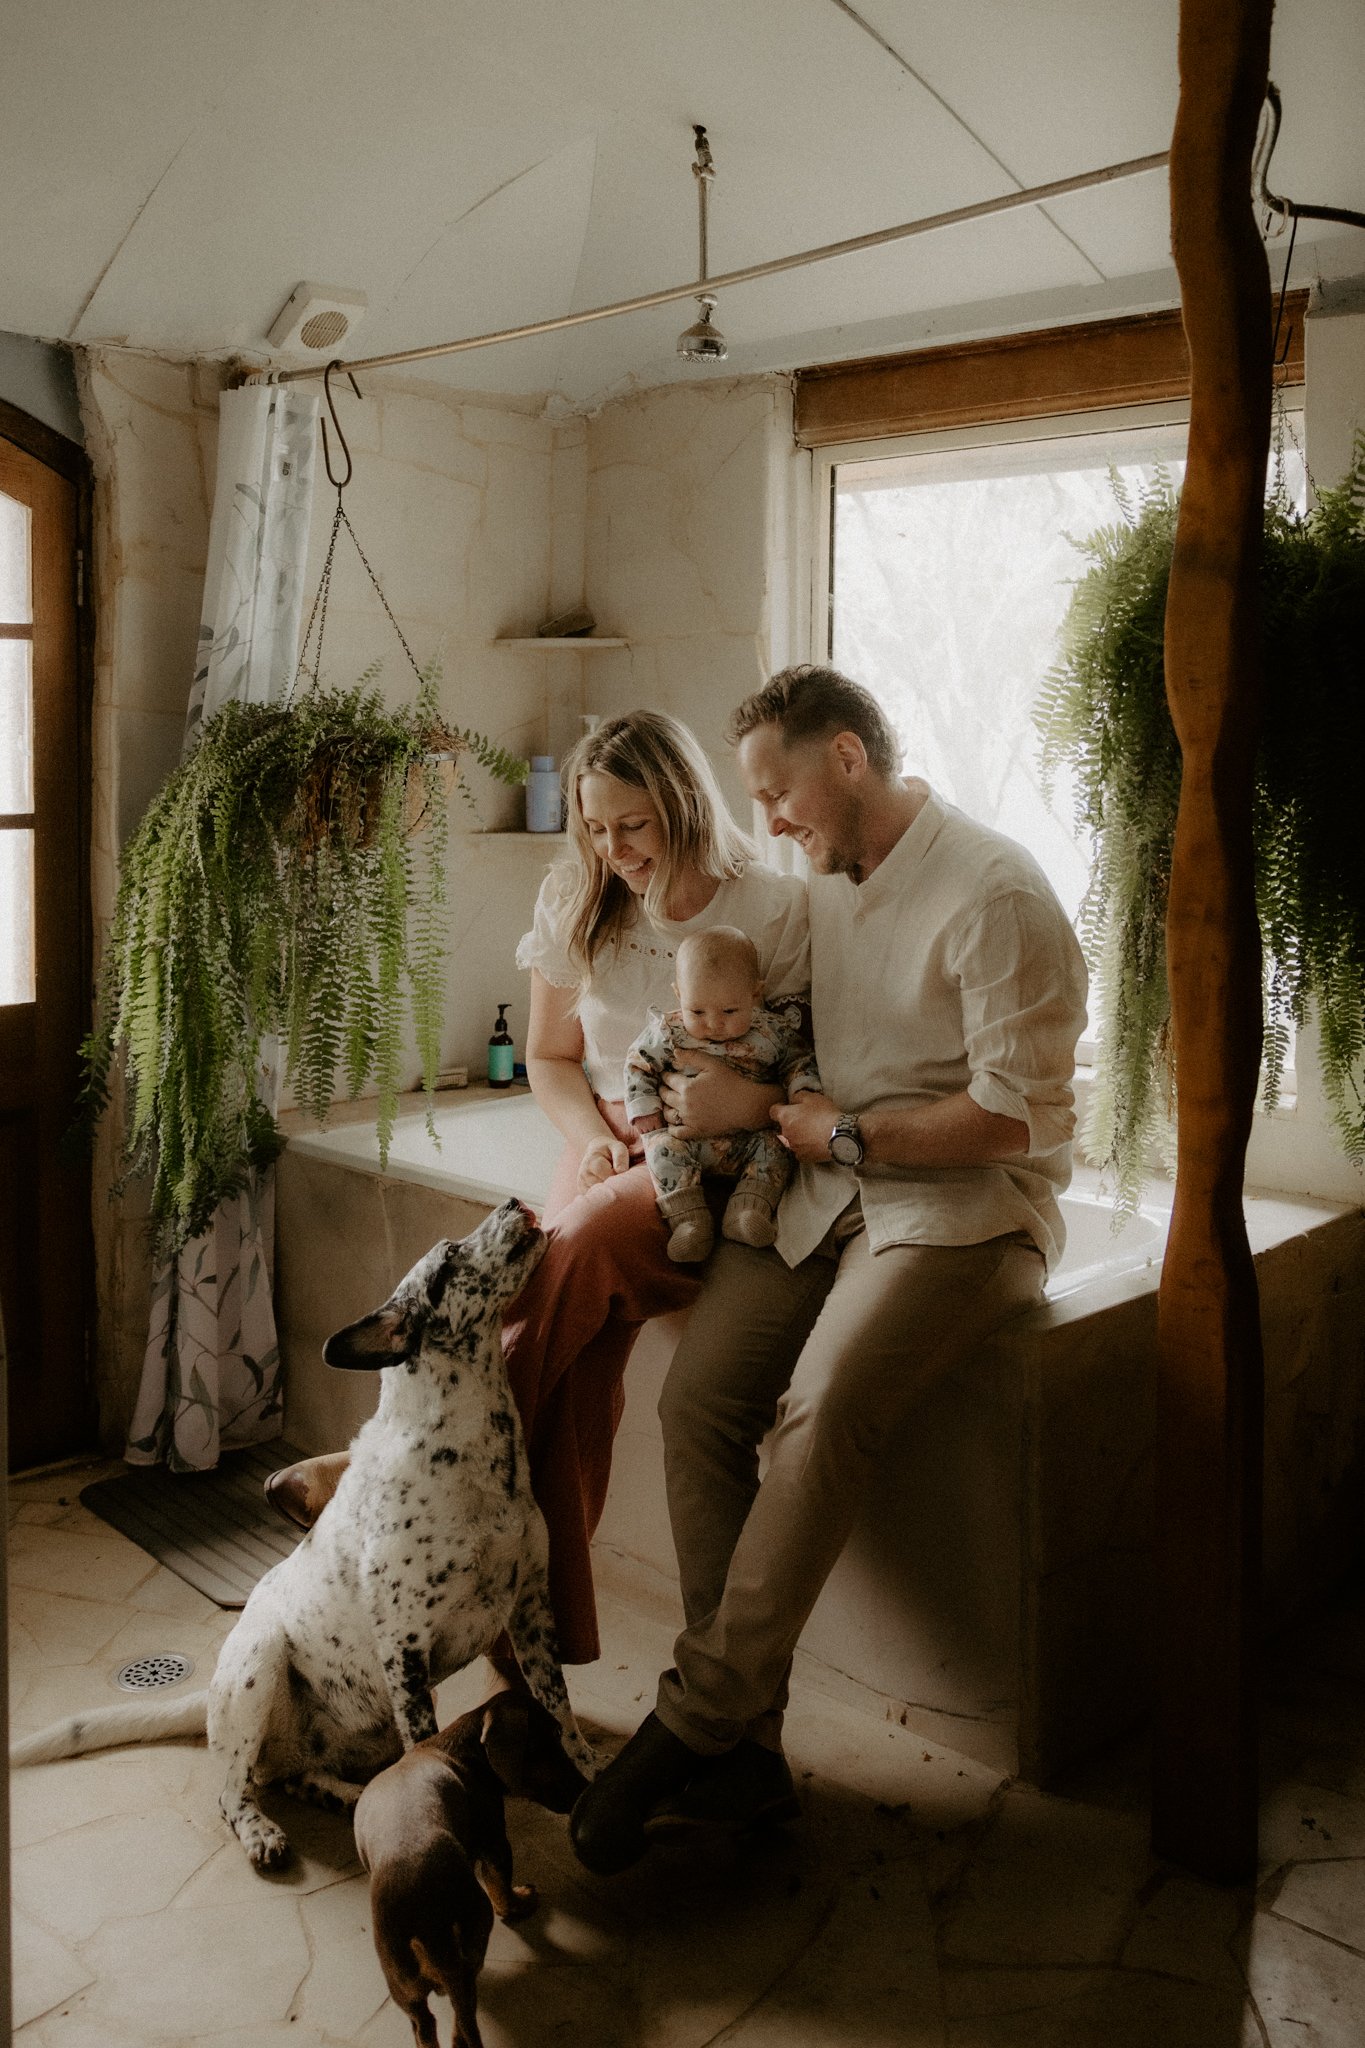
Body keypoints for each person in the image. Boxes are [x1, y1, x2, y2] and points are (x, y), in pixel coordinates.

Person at [570, 664, 1089, 1874]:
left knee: (824, 1410)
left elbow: (1022, 1123)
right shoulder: (828, 883)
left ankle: (697, 1718)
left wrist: (837, 1132)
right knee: (699, 1401)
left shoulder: (993, 891)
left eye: (780, 788)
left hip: (966, 1212)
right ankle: (748, 1756)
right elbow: (738, 1004)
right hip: (829, 1190)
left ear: (848, 755)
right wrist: (731, 1094)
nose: (774, 821)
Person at [265, 709, 809, 1678]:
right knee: (577, 1376)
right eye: (596, 828)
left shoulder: (767, 905)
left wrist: (740, 1104)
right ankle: (529, 1681)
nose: (614, 848)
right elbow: (554, 1060)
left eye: (632, 825)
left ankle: (387, 1461)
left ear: (683, 803)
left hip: (711, 1157)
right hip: (610, 1132)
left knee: (577, 1245)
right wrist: (594, 1137)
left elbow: (804, 1073)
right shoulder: (581, 894)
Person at [625, 926, 821, 1261]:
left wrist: (803, 1092)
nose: (713, 1023)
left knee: (776, 1149)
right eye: (697, 1011)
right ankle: (688, 1222)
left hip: (749, 1138)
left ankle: (748, 1210)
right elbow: (638, 1064)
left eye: (729, 1011)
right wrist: (644, 1109)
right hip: (684, 1140)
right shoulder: (668, 1032)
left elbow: (798, 1061)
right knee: (660, 1150)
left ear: (754, 994)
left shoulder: (771, 1031)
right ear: (678, 994)